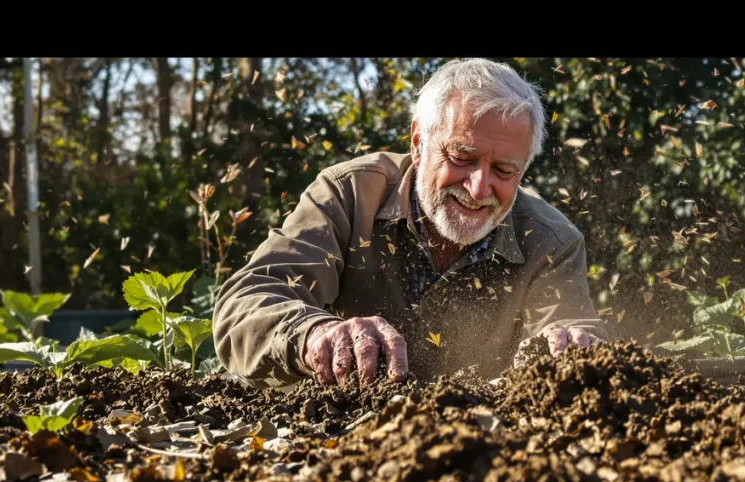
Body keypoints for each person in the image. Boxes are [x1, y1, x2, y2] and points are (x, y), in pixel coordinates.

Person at [212, 58, 612, 389]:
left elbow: (569, 325)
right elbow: (245, 303)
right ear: (419, 143)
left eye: (505, 169)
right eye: (462, 158)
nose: (478, 187)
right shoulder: (349, 196)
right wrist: (314, 333)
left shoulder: (552, 241)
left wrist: (570, 343)